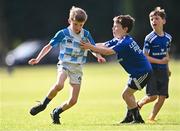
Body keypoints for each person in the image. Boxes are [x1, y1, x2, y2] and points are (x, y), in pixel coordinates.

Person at [28, 6, 105, 124]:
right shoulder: (63, 33)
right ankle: (43, 104)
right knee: (59, 85)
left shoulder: (86, 34)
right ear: (70, 21)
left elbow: (93, 48)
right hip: (64, 64)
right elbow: (49, 46)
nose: (78, 27)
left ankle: (56, 112)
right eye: (75, 24)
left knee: (73, 101)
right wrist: (38, 59)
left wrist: (98, 56)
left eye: (81, 25)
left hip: (77, 68)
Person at [80, 15, 152, 123]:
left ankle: (138, 119)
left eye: (116, 27)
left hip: (143, 73)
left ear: (125, 29)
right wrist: (89, 44)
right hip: (135, 73)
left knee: (126, 94)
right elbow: (103, 46)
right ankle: (129, 118)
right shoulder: (119, 39)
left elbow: (108, 52)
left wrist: (89, 47)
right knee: (128, 95)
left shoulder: (125, 43)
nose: (113, 29)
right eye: (113, 26)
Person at [137, 7, 172, 123]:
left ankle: (152, 118)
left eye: (156, 18)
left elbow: (166, 54)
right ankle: (139, 104)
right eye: (151, 19)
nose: (153, 21)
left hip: (163, 71)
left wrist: (167, 67)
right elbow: (145, 56)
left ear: (163, 21)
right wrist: (160, 62)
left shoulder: (168, 38)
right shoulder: (149, 38)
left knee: (162, 97)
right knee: (152, 96)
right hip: (151, 70)